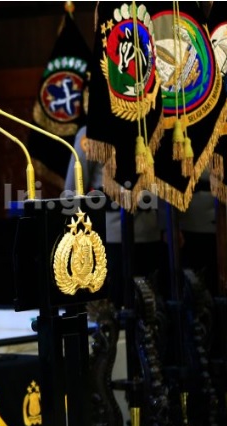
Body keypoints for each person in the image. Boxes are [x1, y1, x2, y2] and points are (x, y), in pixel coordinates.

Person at [64, 125, 163, 309]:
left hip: (148, 229)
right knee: (117, 307)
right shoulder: (90, 132)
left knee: (147, 307)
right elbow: (74, 190)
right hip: (112, 232)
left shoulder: (151, 124)